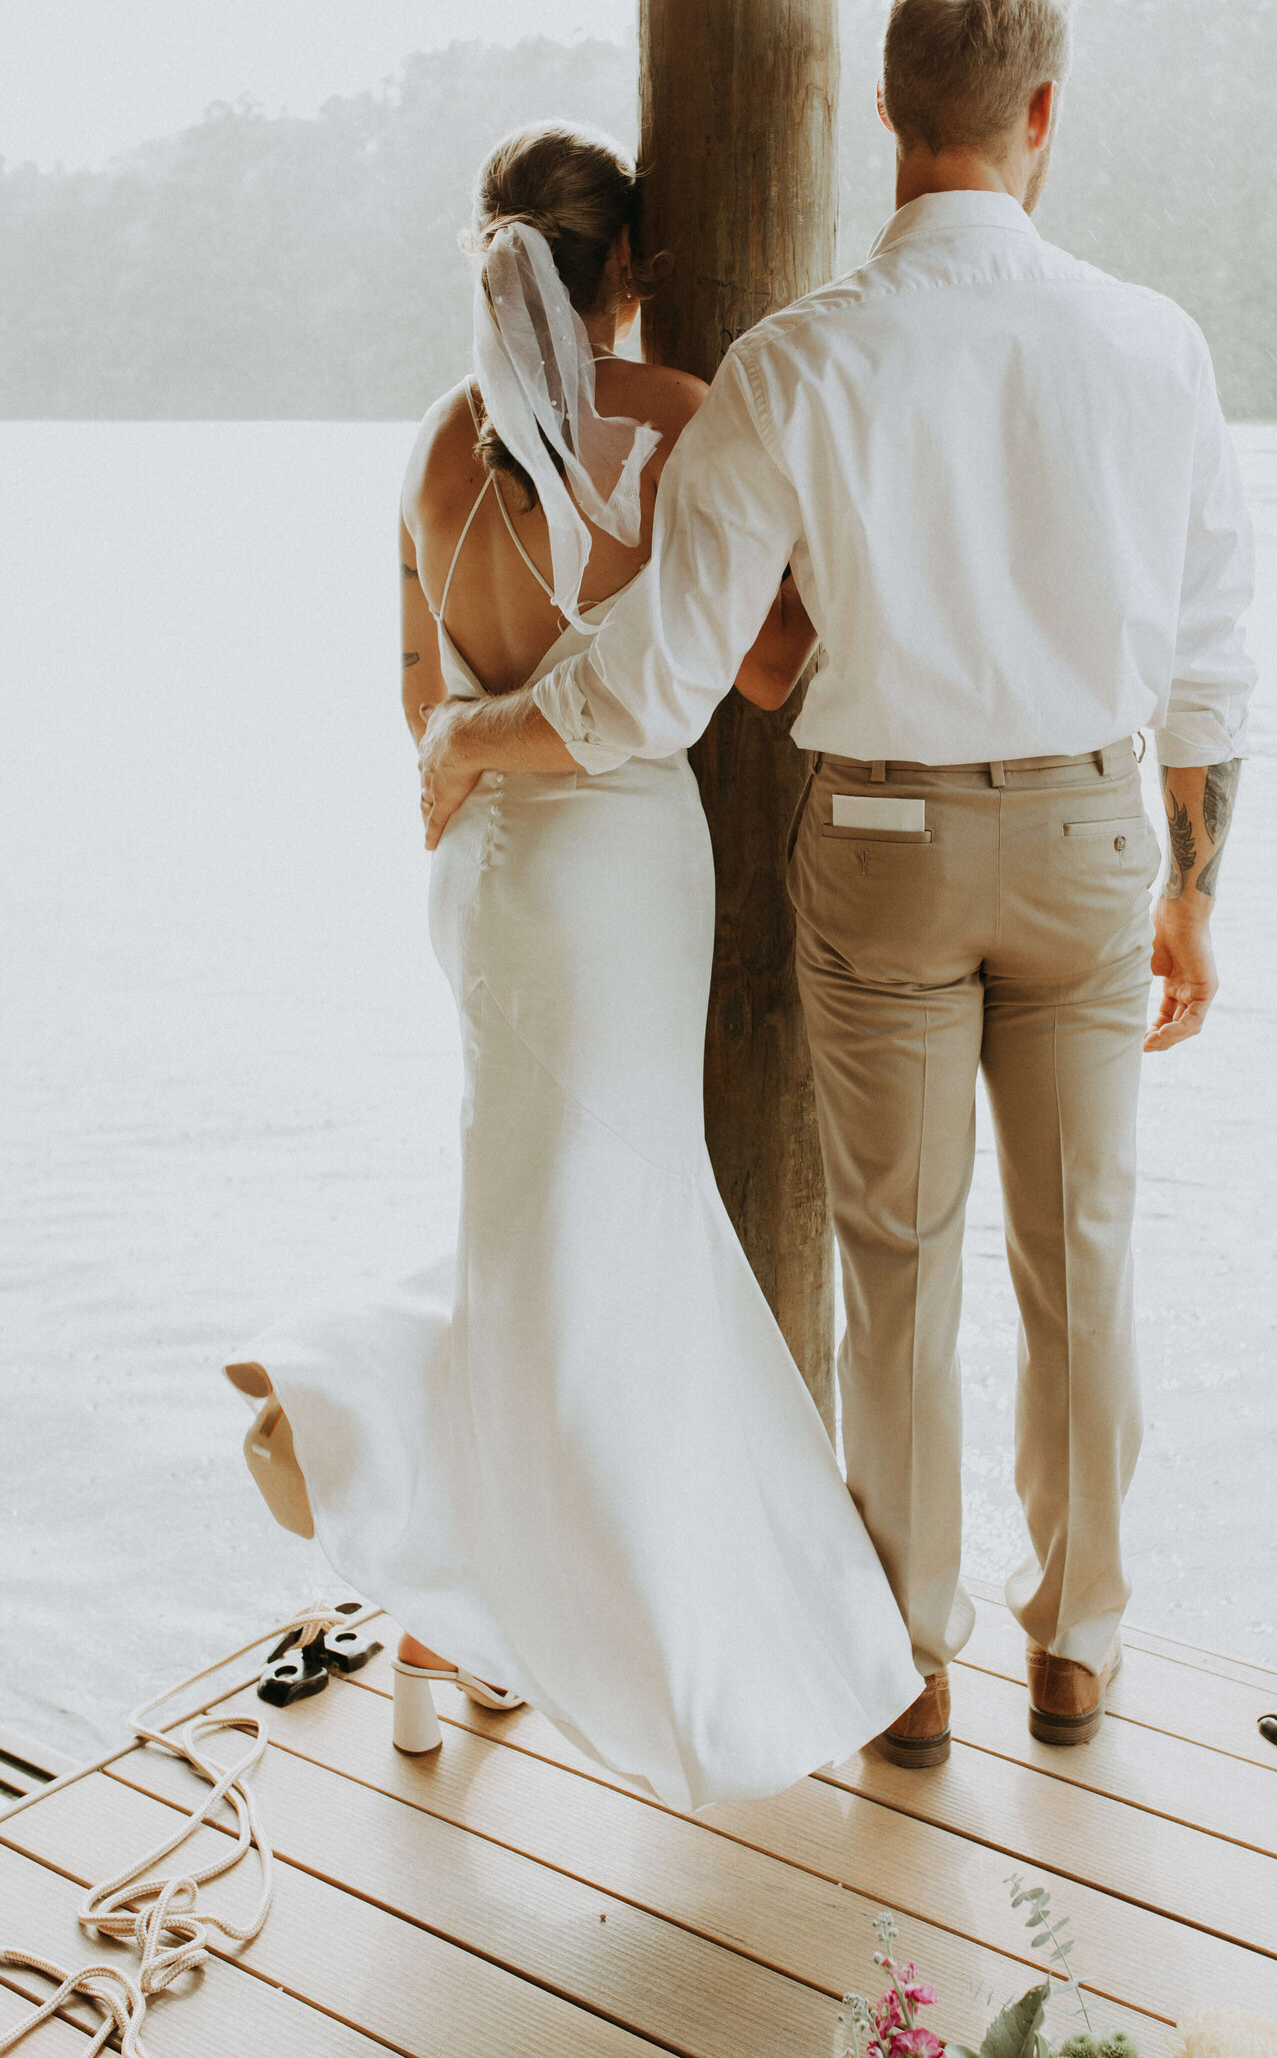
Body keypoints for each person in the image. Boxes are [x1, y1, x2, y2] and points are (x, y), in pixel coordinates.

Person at [417, 0, 1257, 1769]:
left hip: (879, 837)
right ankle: (1083, 1644)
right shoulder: (1155, 344)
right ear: (1042, 120)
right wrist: (1194, 887)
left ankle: (911, 1656)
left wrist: (479, 731)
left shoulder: (796, 366)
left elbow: (657, 681)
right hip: (1100, 835)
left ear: (887, 117)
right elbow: (1208, 652)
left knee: (900, 1262)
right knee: (1084, 1254)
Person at [225, 121, 921, 1810]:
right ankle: (397, 1454)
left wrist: (483, 746)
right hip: (617, 866)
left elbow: (422, 706)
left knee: (537, 1237)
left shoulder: (429, 454)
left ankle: (436, 1603)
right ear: (628, 278)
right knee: (608, 1242)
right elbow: (760, 674)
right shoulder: (675, 425)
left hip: (483, 879)